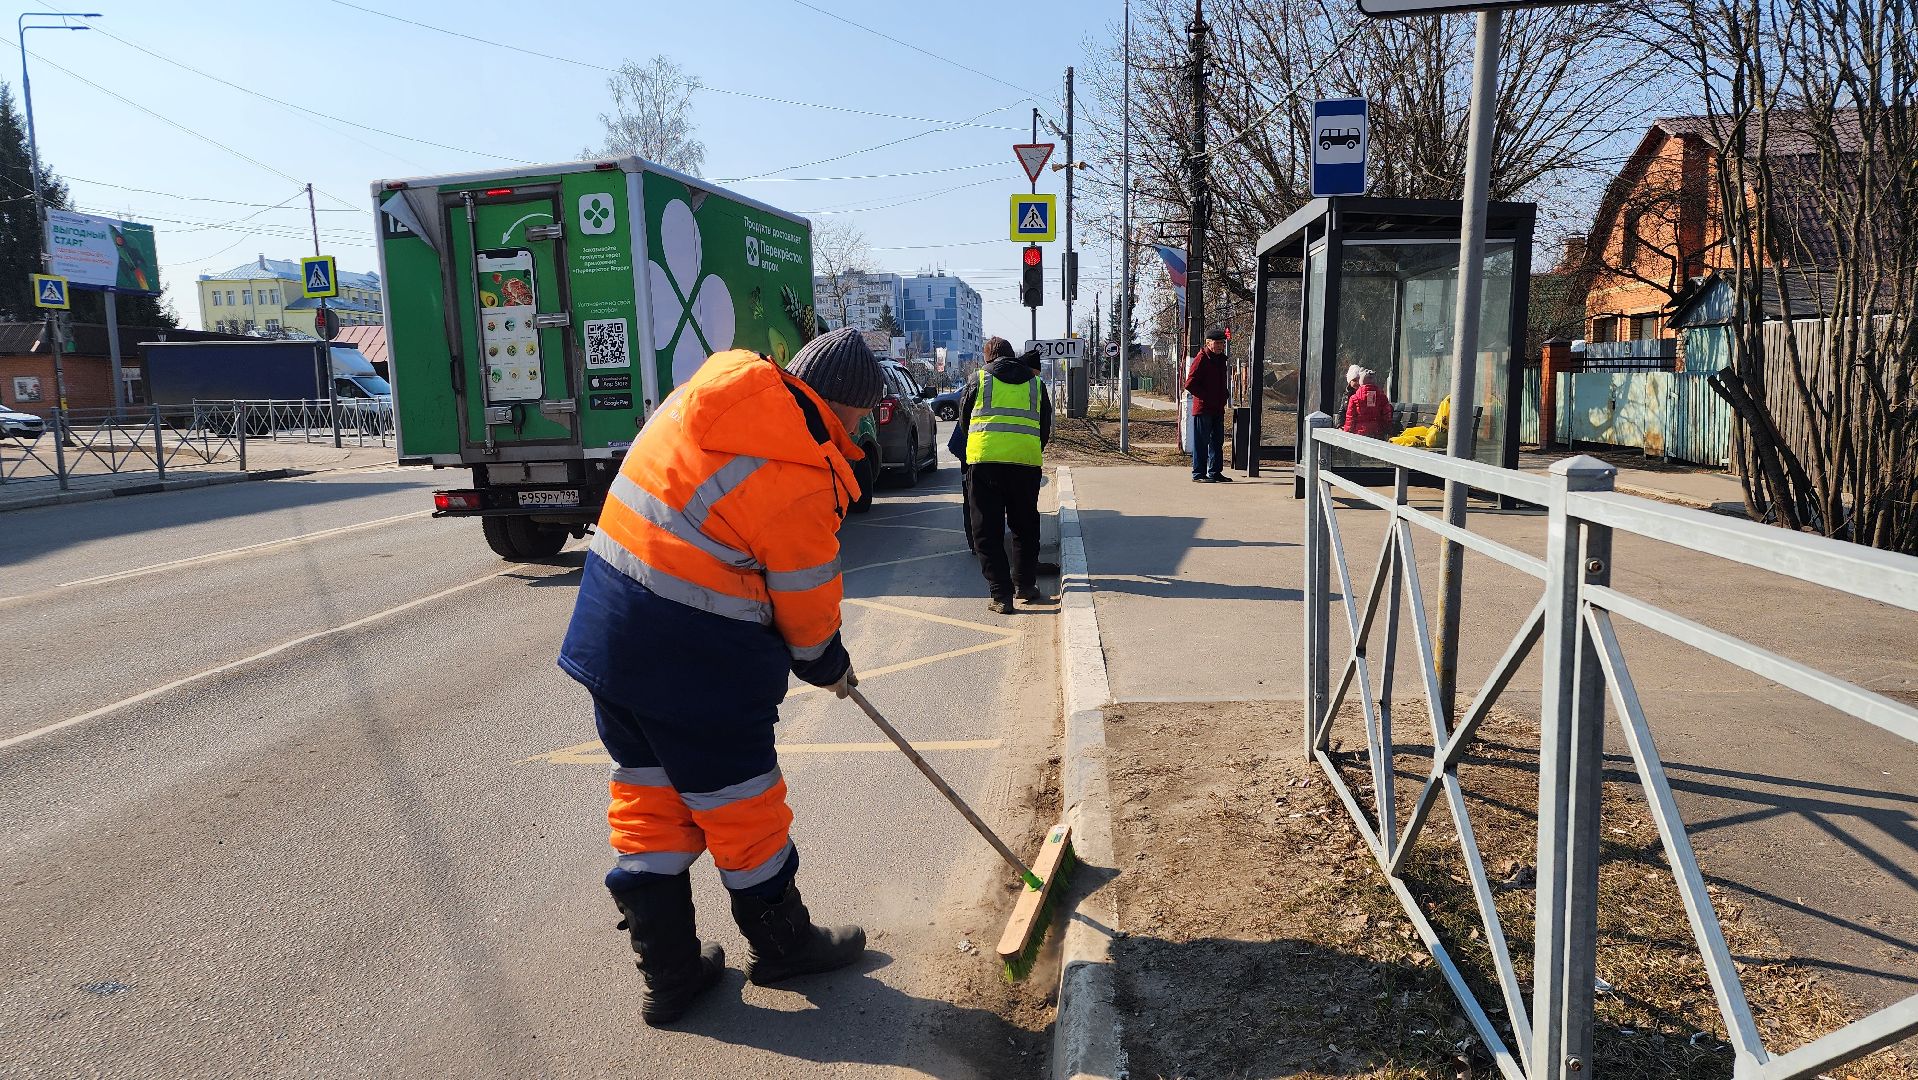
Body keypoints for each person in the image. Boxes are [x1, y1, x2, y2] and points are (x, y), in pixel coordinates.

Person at [558, 328, 881, 1026]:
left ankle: (669, 972)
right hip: (695, 658)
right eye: (859, 419)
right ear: (849, 411)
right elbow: (805, 600)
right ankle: (783, 944)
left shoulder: (718, 388)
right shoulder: (797, 463)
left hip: (609, 634)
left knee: (650, 796)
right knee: (742, 804)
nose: (856, 433)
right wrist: (827, 661)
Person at [948, 336, 1052, 614]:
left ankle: (1001, 596)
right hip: (1025, 464)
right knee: (1025, 527)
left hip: (985, 463)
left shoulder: (978, 380)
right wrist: (1028, 449)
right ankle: (1026, 585)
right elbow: (1045, 427)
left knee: (987, 531)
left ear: (988, 358)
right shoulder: (1037, 384)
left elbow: (964, 422)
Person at [1185, 328, 1231, 483]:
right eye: (1217, 343)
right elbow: (1190, 384)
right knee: (1201, 442)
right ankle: (1198, 474)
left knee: (1217, 442)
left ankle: (1215, 472)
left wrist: (1224, 394)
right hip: (1203, 409)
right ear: (1208, 343)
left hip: (1217, 408)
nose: (1219, 346)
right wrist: (1206, 397)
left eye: (1222, 343)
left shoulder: (1221, 360)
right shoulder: (1201, 358)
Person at [1341, 365, 1394, 439]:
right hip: (1377, 433)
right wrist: (1389, 430)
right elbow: (1386, 416)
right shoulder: (1382, 397)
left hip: (1359, 434)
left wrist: (1347, 432)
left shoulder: (1354, 398)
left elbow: (1350, 418)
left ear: (1361, 382)